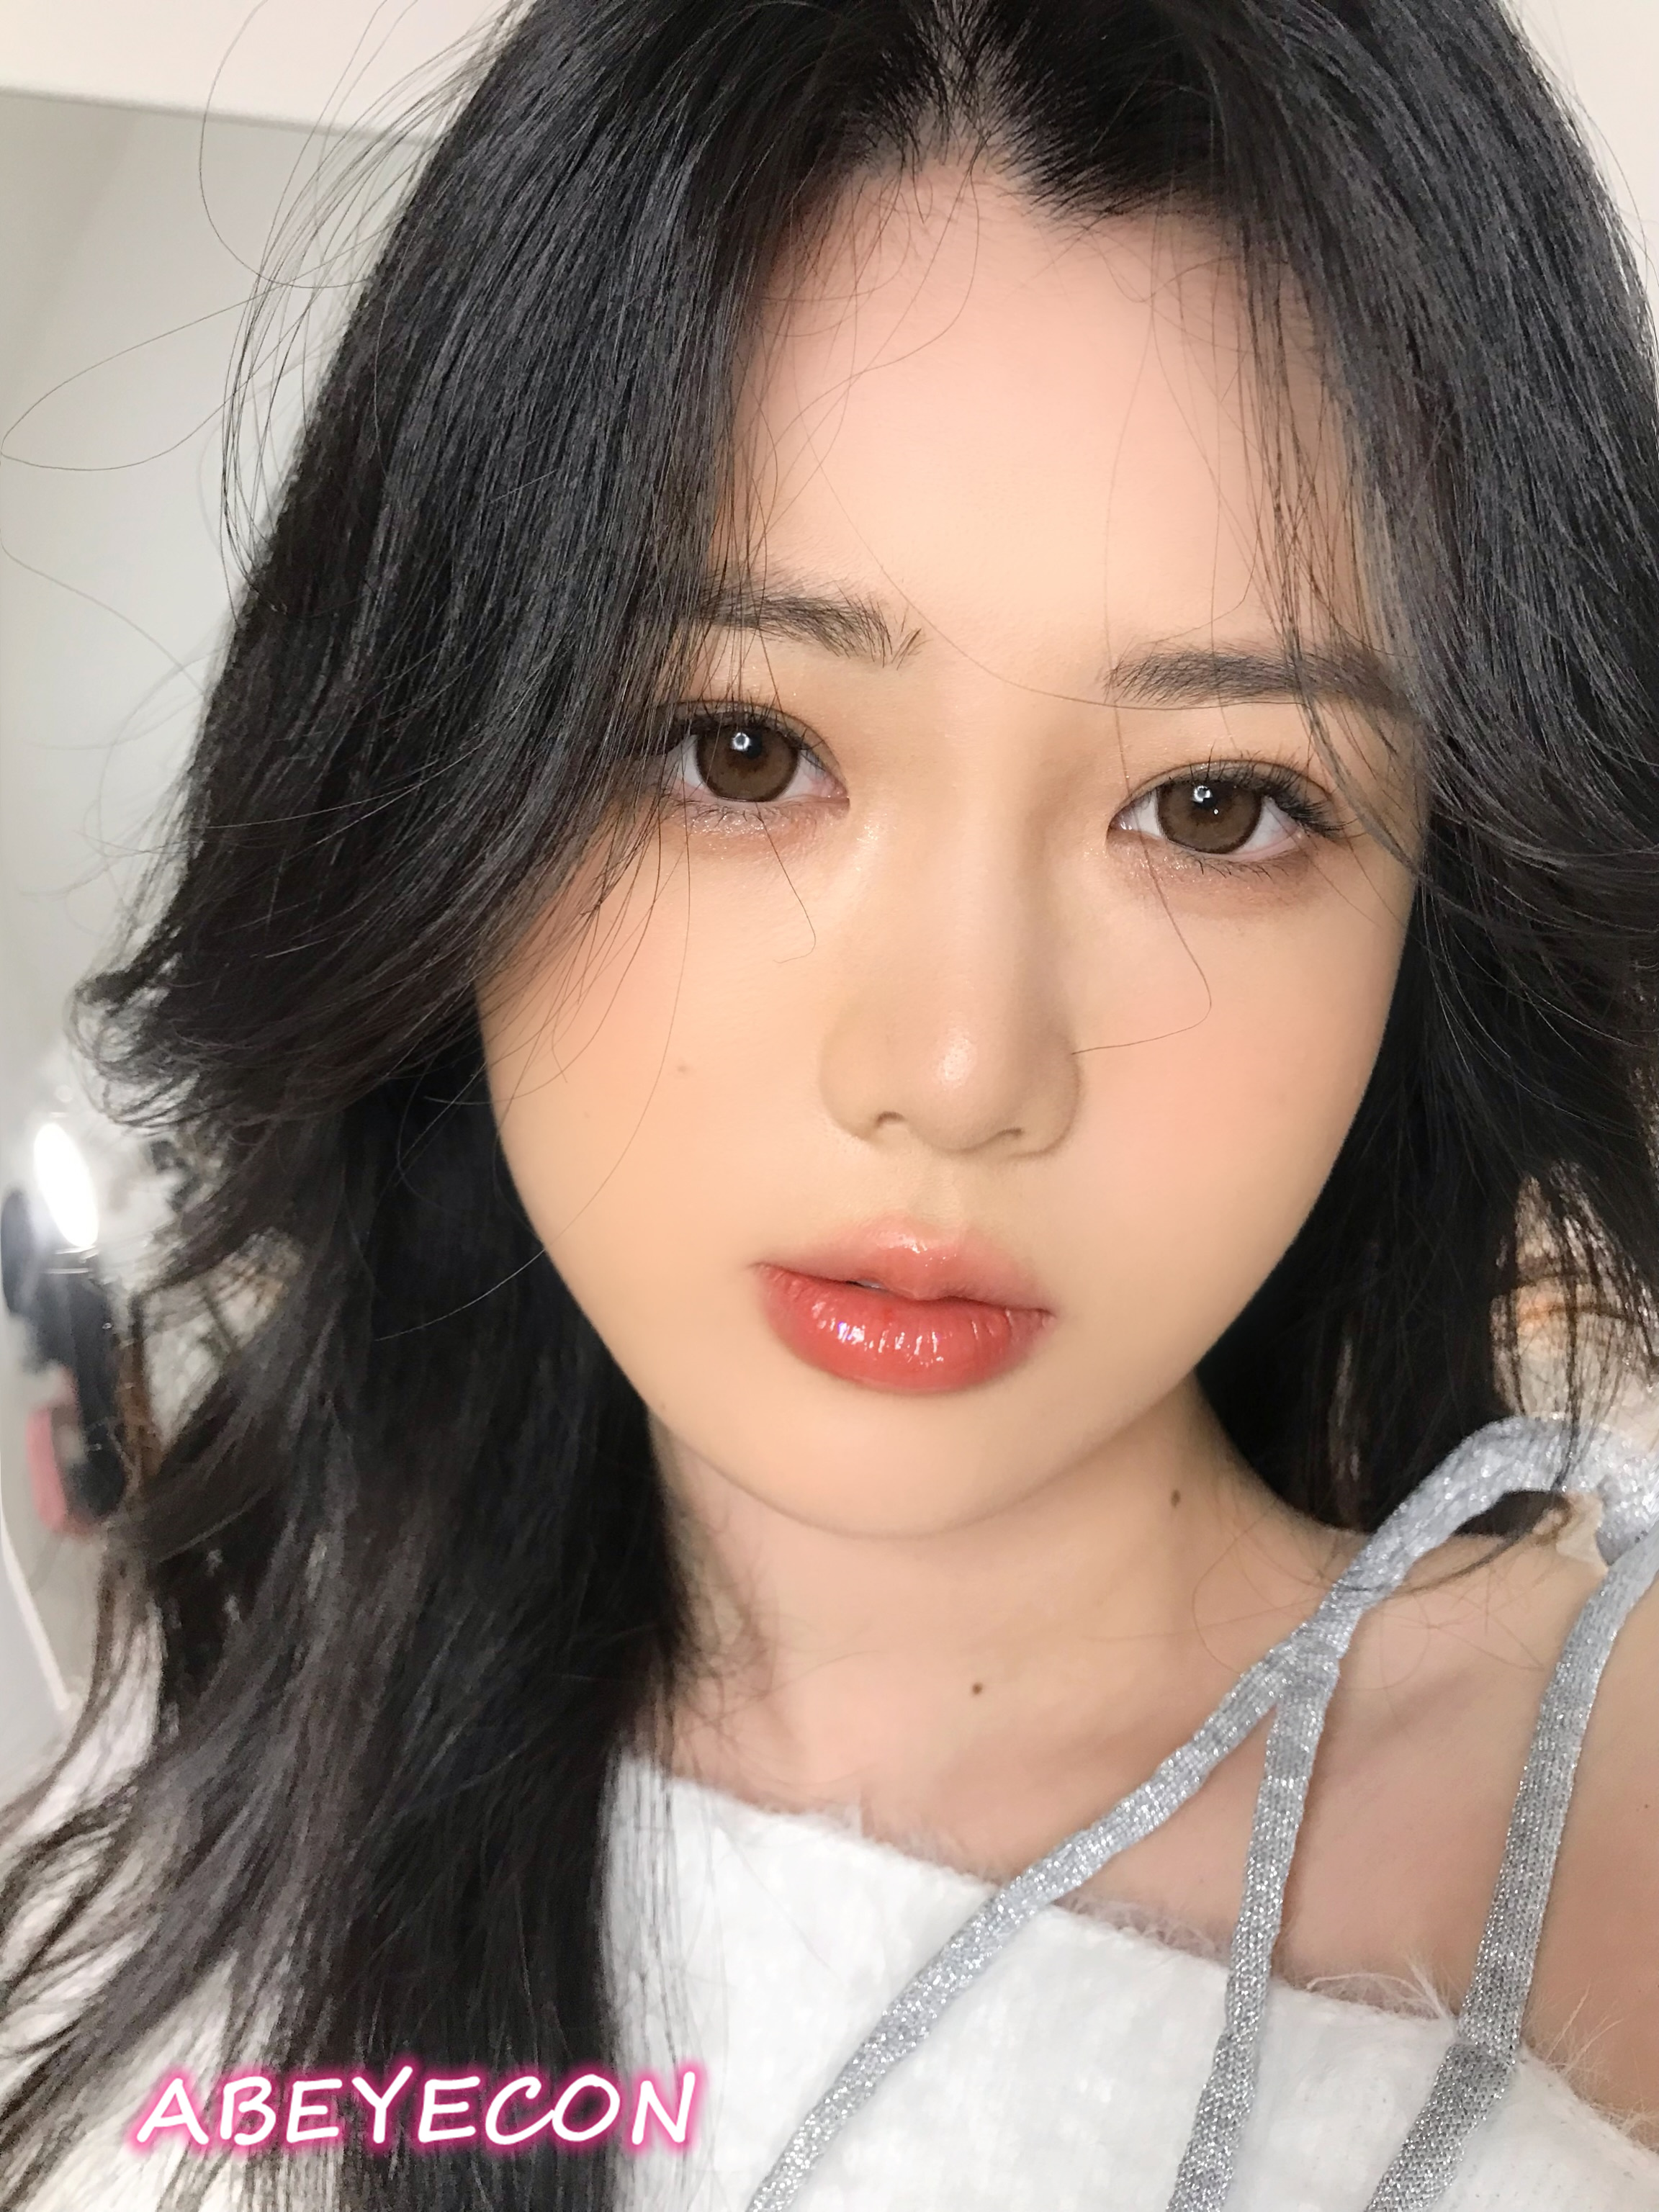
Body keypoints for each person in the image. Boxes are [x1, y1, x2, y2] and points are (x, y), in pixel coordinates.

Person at [4, 1, 1659, 2206]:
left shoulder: (1605, 1825)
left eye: (1219, 805)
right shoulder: (220, 1698)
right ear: (444, 772)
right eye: (744, 752)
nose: (956, 1073)